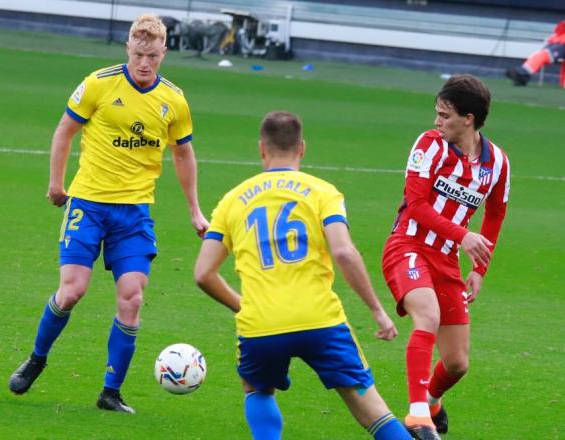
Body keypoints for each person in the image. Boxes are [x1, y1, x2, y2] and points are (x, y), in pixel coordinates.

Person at [8, 14, 209, 413]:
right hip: (88, 203)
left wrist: (195, 211)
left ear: (164, 53)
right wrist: (56, 183)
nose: (144, 63)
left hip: (134, 213)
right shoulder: (99, 83)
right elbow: (65, 130)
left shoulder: (174, 100)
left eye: (152, 55)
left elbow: (183, 154)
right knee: (72, 291)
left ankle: (110, 392)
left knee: (132, 298)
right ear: (127, 50)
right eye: (138, 54)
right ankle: (36, 359)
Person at [194, 111, 411, 440]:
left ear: (262, 150)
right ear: (302, 148)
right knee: (368, 405)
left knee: (257, 389)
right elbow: (343, 252)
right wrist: (377, 311)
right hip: (319, 320)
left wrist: (244, 306)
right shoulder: (323, 193)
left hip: (261, 323)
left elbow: (202, 273)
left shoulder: (232, 200)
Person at [382, 74, 510, 439]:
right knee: (428, 316)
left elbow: (496, 213)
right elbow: (418, 204)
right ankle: (418, 416)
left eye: (445, 115)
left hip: (446, 260)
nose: (437, 121)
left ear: (468, 119)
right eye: (437, 113)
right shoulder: (429, 144)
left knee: (457, 363)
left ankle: (432, 400)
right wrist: (464, 235)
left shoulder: (497, 163)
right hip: (407, 245)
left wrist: (480, 268)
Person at [506, 20, 565, 87]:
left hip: (561, 43)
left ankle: (522, 74)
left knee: (543, 55)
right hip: (559, 40)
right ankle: (522, 74)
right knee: (540, 54)